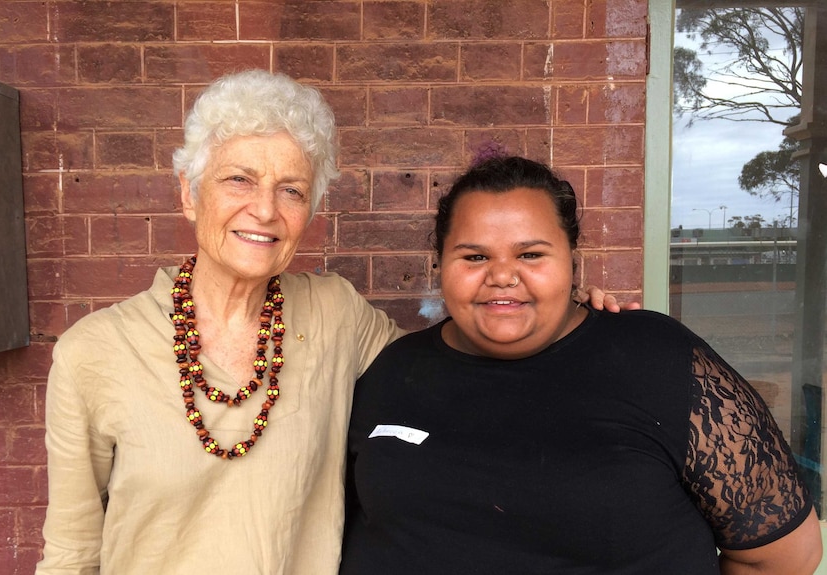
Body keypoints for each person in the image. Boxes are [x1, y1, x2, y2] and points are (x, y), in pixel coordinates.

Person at [36, 71, 625, 575]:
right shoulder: (96, 352)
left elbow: (458, 364)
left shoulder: (334, 315)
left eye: (290, 189)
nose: (264, 209)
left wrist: (562, 318)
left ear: (309, 212)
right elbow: (70, 555)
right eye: (238, 179)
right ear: (188, 194)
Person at [341, 156, 822, 575]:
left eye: (531, 254)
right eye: (474, 256)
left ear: (573, 260)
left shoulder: (656, 359)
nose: (503, 276)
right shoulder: (392, 370)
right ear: (440, 263)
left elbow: (781, 557)